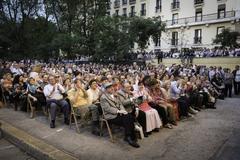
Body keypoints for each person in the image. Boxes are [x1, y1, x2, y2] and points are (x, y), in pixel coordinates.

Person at [100, 82, 140, 148]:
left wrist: (123, 111)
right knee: (128, 118)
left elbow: (120, 104)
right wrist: (118, 111)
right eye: (109, 88)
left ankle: (129, 136)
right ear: (106, 89)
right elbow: (107, 109)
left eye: (112, 87)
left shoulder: (114, 95)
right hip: (111, 116)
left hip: (119, 113)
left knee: (129, 116)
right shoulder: (103, 97)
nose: (112, 88)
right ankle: (130, 136)